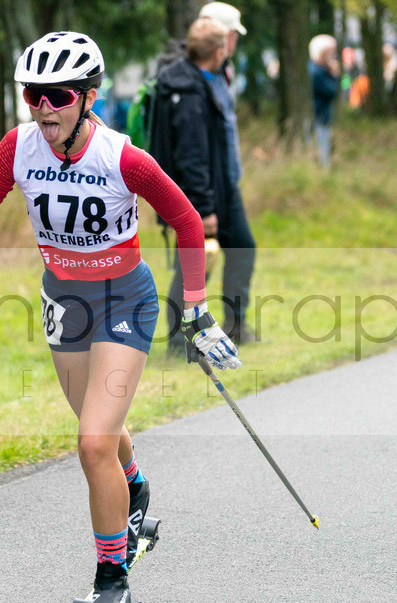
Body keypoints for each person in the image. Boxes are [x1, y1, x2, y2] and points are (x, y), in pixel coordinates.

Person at [0, 31, 241, 603]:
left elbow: (184, 220)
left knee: (92, 442)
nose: (44, 108)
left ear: (88, 98)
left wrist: (199, 310)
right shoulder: (17, 147)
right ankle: (136, 488)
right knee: (97, 428)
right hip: (65, 302)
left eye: (59, 95)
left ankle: (112, 583)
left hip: (126, 299)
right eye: (33, 95)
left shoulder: (122, 157)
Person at [152, 17, 257, 357]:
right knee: (193, 265)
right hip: (199, 196)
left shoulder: (201, 79)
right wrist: (204, 209)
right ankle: (177, 342)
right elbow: (192, 157)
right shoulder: (189, 90)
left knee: (241, 247)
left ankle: (235, 324)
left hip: (222, 189)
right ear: (217, 51)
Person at [309, 34, 340, 169]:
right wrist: (334, 75)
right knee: (321, 151)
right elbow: (331, 91)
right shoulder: (316, 71)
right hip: (318, 116)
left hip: (321, 116)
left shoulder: (320, 70)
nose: (334, 56)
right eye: (332, 52)